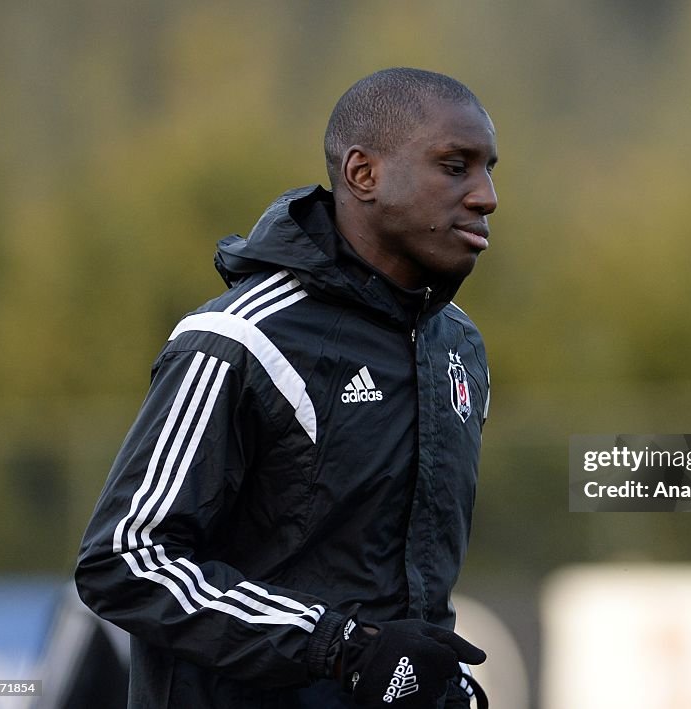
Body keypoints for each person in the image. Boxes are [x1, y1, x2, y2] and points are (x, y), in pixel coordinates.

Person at [74, 67, 498, 709]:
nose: (486, 195)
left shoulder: (457, 347)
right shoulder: (238, 339)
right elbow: (125, 559)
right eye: (455, 166)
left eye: (489, 168)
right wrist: (340, 646)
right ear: (363, 175)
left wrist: (431, 681)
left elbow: (400, 613)